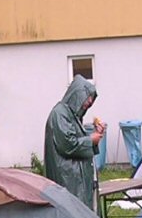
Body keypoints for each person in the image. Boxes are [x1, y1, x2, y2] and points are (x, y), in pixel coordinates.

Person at [43, 75, 105, 209]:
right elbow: (68, 145)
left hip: (77, 180)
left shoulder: (72, 115)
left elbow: (76, 141)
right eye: (87, 96)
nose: (89, 101)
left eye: (91, 98)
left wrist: (96, 138)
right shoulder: (60, 114)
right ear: (77, 94)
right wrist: (90, 140)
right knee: (75, 217)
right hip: (69, 179)